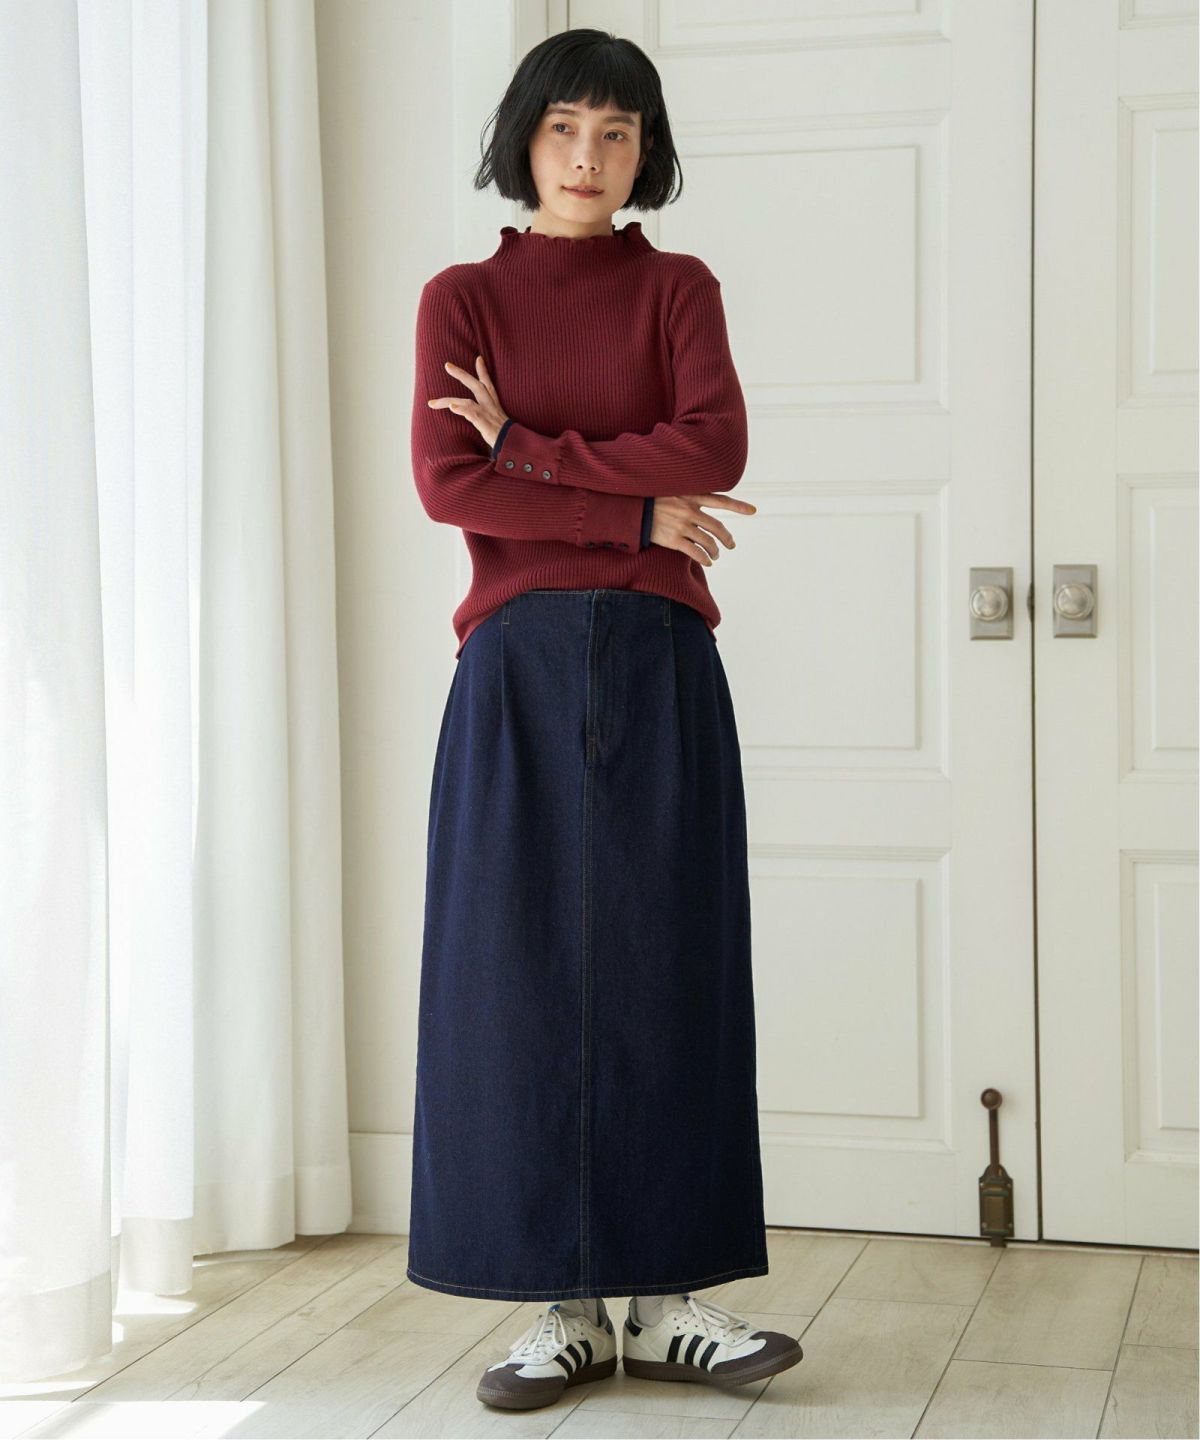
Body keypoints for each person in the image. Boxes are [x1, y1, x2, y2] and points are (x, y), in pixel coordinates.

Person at [407, 27, 804, 1413]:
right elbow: (449, 485)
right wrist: (634, 514)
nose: (589, 156)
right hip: (514, 668)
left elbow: (714, 447)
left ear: (648, 151)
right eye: (566, 126)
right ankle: (561, 1306)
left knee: (669, 962)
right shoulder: (461, 301)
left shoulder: (678, 289)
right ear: (524, 138)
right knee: (515, 979)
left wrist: (527, 447)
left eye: (618, 132)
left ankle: (670, 1297)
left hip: (659, 656)